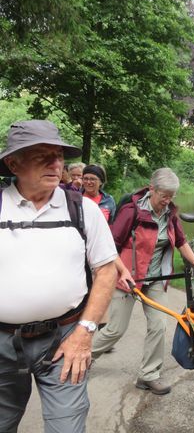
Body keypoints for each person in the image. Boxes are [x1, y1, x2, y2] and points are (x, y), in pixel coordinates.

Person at [0, 120, 117, 432]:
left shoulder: (82, 210)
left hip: (65, 340)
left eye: (59, 156)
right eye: (42, 156)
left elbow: (106, 269)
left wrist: (86, 331)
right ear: (13, 163)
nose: (56, 164)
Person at [91, 167, 194, 395]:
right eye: (164, 196)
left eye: (172, 196)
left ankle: (148, 375)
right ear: (152, 189)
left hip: (156, 279)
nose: (168, 201)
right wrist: (123, 272)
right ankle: (82, 356)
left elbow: (181, 242)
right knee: (114, 330)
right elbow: (111, 246)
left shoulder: (170, 213)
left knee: (159, 325)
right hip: (128, 277)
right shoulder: (131, 211)